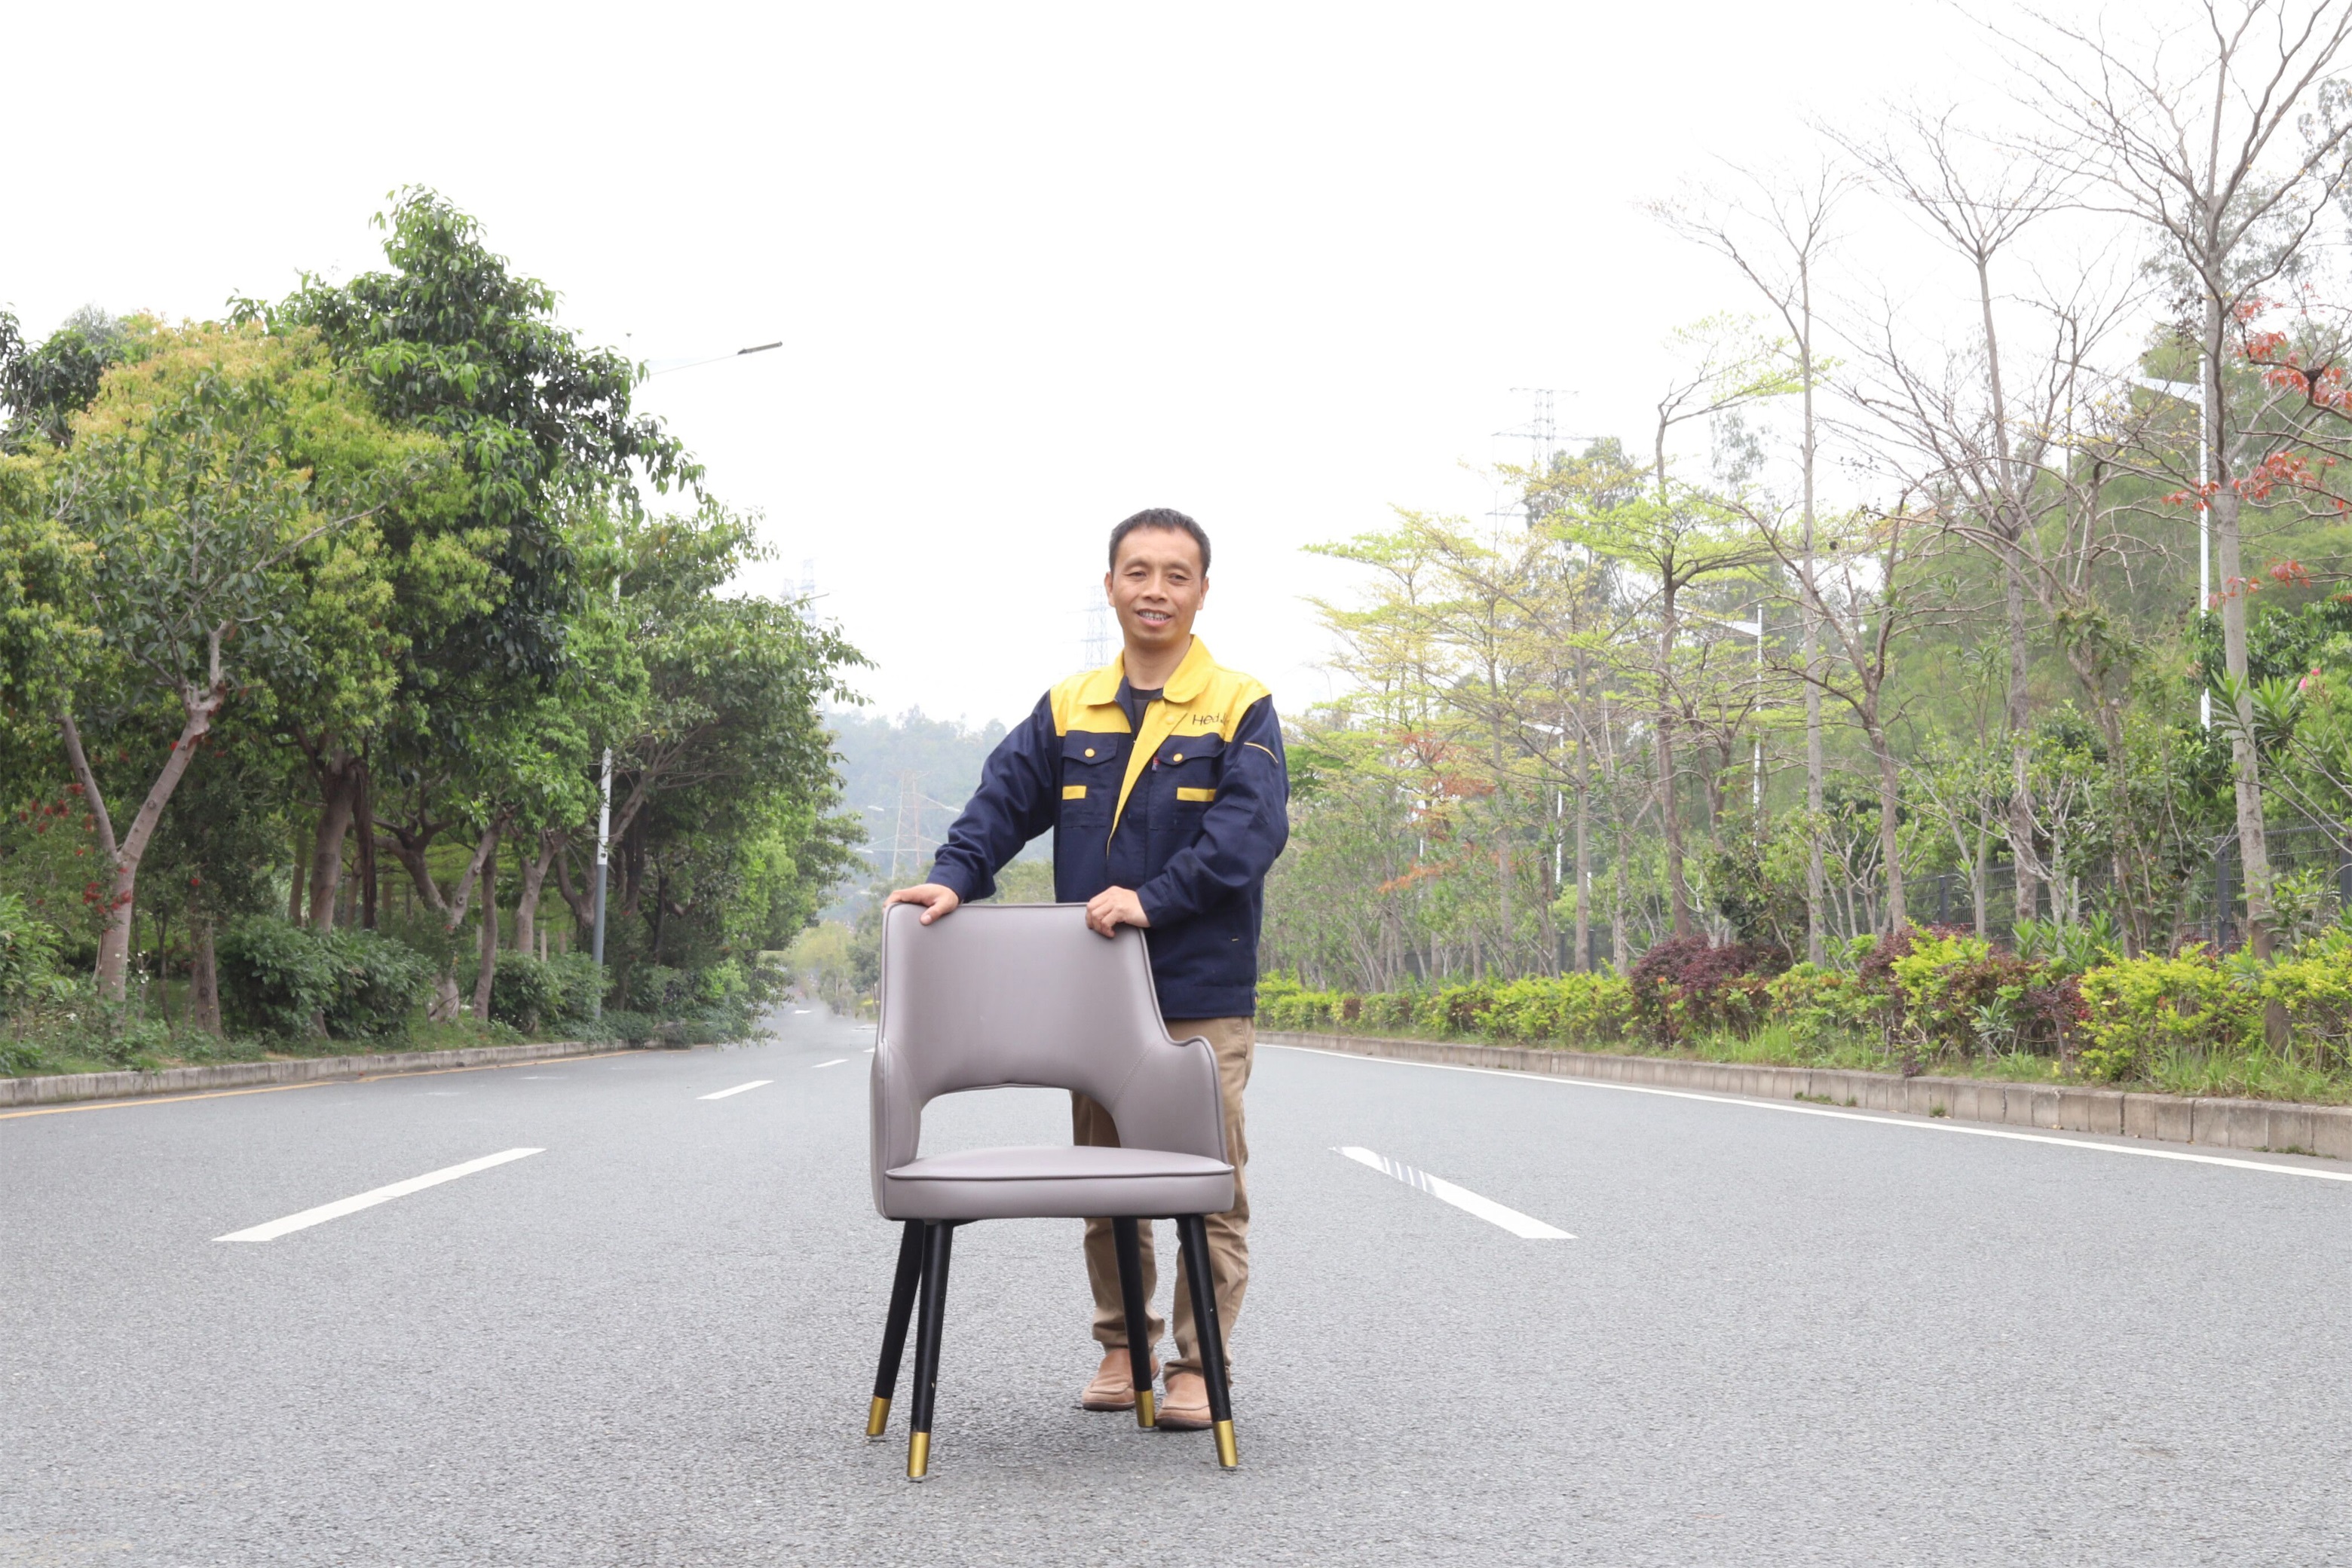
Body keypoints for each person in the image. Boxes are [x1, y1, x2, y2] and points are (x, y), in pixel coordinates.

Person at [886, 506, 1288, 1432]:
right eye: (1138, 572)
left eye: (1176, 575)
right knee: (1108, 1183)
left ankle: (1200, 1364)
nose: (1156, 590)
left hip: (1198, 989)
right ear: (1109, 585)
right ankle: (1122, 1345)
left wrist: (1154, 898)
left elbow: (1250, 832)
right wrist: (954, 877)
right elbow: (1002, 800)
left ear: (1203, 591)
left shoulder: (1239, 704)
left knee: (1206, 1179)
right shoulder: (1071, 706)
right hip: (1098, 996)